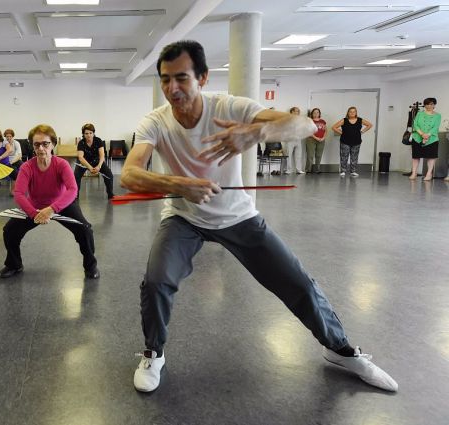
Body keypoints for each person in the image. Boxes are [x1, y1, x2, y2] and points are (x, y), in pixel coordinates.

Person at [121, 40, 397, 393]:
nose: (172, 88)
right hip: (183, 216)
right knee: (157, 280)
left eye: (181, 78)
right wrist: (177, 184)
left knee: (298, 284)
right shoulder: (155, 122)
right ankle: (153, 352)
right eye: (165, 80)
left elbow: (302, 126)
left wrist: (255, 131)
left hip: (237, 217)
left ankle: (342, 351)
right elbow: (129, 174)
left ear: (202, 78)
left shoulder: (229, 106)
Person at [0, 124, 99, 280]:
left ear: (52, 145)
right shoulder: (27, 167)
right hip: (35, 206)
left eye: (45, 144)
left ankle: (90, 266)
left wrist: (51, 209)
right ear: (32, 146)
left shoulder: (61, 165)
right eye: (37, 144)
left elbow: (72, 190)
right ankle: (14, 264)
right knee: (10, 231)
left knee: (85, 230)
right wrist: (34, 213)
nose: (41, 148)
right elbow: (18, 193)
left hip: (62, 204)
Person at [74, 123, 115, 199]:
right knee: (76, 177)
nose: (89, 135)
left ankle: (110, 194)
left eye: (90, 133)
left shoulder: (98, 141)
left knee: (109, 175)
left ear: (93, 133)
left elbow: (102, 155)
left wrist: (99, 166)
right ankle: (75, 196)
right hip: (84, 162)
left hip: (97, 161)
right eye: (86, 133)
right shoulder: (81, 143)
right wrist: (89, 167)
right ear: (83, 134)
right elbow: (80, 157)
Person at [332, 107, 373, 178]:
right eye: (350, 112)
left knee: (354, 157)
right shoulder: (344, 120)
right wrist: (341, 133)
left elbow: (370, 125)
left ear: (356, 113)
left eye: (354, 112)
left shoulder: (360, 120)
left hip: (356, 141)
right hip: (345, 141)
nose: (352, 113)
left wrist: (362, 131)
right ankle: (343, 171)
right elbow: (334, 127)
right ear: (348, 113)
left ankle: (353, 171)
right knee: (344, 156)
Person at [409, 98, 441, 181]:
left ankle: (429, 174)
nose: (429, 106)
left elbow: (436, 127)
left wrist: (427, 135)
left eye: (431, 104)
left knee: (431, 157)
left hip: (432, 139)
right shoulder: (419, 113)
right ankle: (414, 173)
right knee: (416, 156)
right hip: (417, 138)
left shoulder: (438, 116)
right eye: (427, 104)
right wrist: (422, 134)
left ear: (434, 105)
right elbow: (415, 124)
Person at [282, 107, 305, 174]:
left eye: (298, 111)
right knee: (288, 155)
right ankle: (288, 170)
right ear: (291, 112)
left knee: (298, 155)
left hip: (298, 139)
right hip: (290, 139)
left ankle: (299, 170)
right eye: (295, 111)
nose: (297, 112)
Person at [306, 108, 326, 174]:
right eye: (314, 113)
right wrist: (316, 138)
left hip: (321, 140)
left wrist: (323, 137)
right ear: (312, 114)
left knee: (319, 155)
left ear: (319, 114)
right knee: (310, 155)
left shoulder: (323, 121)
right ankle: (308, 170)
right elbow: (308, 131)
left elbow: (325, 130)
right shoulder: (309, 121)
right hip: (311, 139)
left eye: (317, 112)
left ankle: (317, 169)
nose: (316, 114)